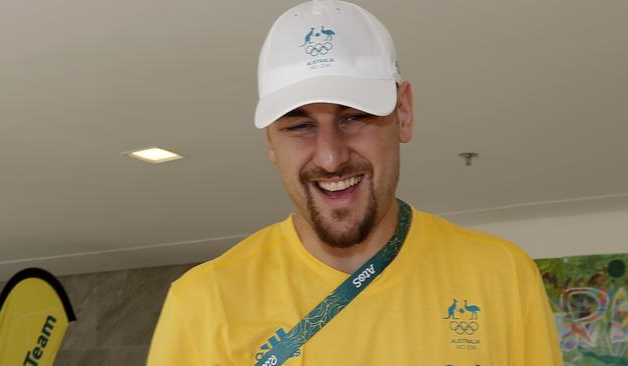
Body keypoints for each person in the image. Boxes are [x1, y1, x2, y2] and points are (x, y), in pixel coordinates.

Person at [147, 1, 564, 365]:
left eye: (355, 117)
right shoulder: (204, 302)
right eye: (298, 126)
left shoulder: (501, 275)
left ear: (403, 114)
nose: (331, 157)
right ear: (270, 141)